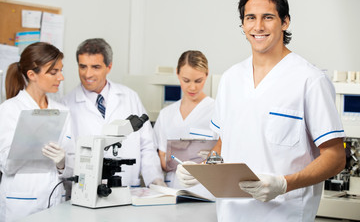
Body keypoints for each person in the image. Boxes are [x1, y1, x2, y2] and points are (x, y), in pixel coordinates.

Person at [176, 0, 346, 221]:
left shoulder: (310, 80)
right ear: (243, 25)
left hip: (285, 214)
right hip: (230, 214)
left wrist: (284, 184)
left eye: (268, 17)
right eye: (250, 18)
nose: (258, 26)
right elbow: (224, 143)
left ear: (285, 22)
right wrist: (200, 168)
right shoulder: (231, 79)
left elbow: (336, 156)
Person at [62, 38, 164, 187]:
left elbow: (147, 146)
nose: (87, 74)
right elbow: (67, 155)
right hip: (86, 189)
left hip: (128, 187)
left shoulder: (130, 97)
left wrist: (155, 179)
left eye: (95, 67)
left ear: (109, 67)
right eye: (83, 66)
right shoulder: (66, 104)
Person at [0, 42, 75, 222]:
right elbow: (6, 166)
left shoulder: (62, 110)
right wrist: (31, 141)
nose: (61, 77)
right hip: (21, 205)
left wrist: (62, 163)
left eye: (61, 70)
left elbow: (73, 166)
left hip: (56, 201)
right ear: (32, 75)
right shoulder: (10, 109)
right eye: (53, 72)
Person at [154, 50, 217, 188]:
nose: (192, 87)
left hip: (205, 189)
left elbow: (225, 156)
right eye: (186, 80)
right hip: (173, 190)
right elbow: (162, 161)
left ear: (206, 75)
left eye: (198, 81)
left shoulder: (217, 110)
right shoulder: (166, 114)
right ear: (177, 74)